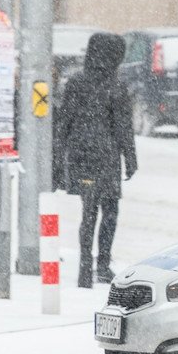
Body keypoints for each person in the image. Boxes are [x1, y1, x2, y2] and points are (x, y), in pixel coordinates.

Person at [54, 32, 135, 288]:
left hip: (80, 154)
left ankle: (84, 267)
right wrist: (130, 157)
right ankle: (102, 264)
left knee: (87, 211)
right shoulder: (116, 86)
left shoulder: (75, 82)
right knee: (109, 210)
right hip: (107, 155)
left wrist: (59, 156)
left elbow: (63, 122)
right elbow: (123, 127)